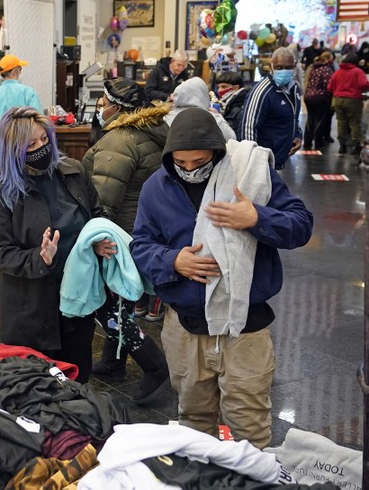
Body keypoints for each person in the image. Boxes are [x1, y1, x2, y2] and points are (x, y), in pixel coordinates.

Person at [131, 108, 313, 448]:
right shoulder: (157, 187)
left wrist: (257, 216)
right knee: (192, 421)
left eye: (198, 162)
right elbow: (140, 245)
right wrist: (173, 261)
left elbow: (301, 225)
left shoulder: (249, 174)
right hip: (186, 327)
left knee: (250, 426)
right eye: (180, 163)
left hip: (245, 326)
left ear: (216, 152)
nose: (190, 170)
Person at [0, 107, 116, 383]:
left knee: (77, 375)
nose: (40, 148)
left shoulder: (73, 172)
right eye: (30, 145)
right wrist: (39, 258)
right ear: (12, 150)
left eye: (44, 139)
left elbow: (96, 215)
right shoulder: (1, 193)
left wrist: (97, 241)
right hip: (31, 305)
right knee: (35, 383)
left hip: (77, 296)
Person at [82, 78, 171, 403]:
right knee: (120, 301)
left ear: (116, 106)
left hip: (118, 236)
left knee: (107, 306)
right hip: (142, 233)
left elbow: (103, 200)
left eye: (102, 102)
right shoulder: (151, 131)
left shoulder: (118, 142)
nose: (100, 108)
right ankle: (113, 362)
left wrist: (94, 239)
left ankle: (155, 366)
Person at [238, 47, 302, 170]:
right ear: (270, 66)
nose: (284, 71)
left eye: (288, 67)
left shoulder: (294, 89)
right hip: (262, 163)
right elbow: (248, 129)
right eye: (279, 67)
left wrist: (297, 135)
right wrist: (252, 163)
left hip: (279, 159)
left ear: (294, 66)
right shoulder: (262, 92)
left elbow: (294, 117)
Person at [0, 55, 44, 165]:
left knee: (1, 181)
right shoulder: (28, 92)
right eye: (20, 69)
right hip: (25, 149)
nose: (20, 72)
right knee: (25, 181)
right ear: (14, 72)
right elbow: (39, 120)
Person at [164, 77, 237, 141]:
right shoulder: (212, 118)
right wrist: (218, 116)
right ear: (203, 95)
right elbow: (231, 139)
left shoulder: (166, 117)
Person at [328, 52, 369, 156]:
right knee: (354, 122)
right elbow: (363, 84)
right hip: (353, 100)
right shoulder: (357, 71)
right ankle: (356, 145)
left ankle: (342, 145)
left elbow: (329, 87)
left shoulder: (337, 72)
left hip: (338, 100)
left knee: (341, 122)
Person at [302, 51, 335, 151]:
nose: (332, 61)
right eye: (331, 59)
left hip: (308, 96)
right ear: (326, 59)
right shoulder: (326, 69)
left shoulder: (313, 67)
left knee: (310, 119)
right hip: (320, 97)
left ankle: (307, 142)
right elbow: (328, 85)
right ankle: (318, 143)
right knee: (319, 120)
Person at [215, 71, 250, 136]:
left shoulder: (238, 108)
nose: (219, 90)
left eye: (223, 87)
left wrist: (217, 116)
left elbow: (230, 133)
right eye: (218, 87)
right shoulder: (232, 104)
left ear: (236, 88)